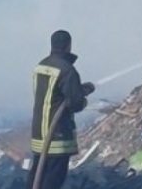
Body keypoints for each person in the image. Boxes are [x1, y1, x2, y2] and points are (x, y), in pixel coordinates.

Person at [27, 30, 95, 189]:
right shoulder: (67, 70)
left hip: (39, 134)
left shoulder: (41, 66)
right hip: (57, 135)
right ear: (69, 45)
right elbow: (76, 104)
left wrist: (78, 88)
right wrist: (83, 99)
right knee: (53, 180)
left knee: (37, 174)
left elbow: (55, 94)